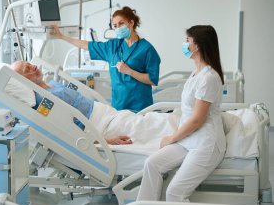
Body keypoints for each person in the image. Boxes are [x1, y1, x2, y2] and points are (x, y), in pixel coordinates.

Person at [134, 25, 226, 205]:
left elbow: (197, 120)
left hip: (205, 144)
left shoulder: (209, 78)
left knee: (174, 193)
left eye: (187, 41)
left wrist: (171, 138)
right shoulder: (196, 74)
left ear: (197, 46)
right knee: (152, 164)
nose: (184, 44)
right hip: (190, 139)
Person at [10, 60, 175, 146]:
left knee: (149, 121)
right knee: (149, 127)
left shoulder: (54, 83)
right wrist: (104, 141)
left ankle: (184, 126)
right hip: (101, 126)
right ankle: (184, 131)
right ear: (23, 81)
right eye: (27, 69)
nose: (33, 67)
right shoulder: (43, 102)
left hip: (109, 114)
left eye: (29, 63)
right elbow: (66, 131)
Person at [50, 6, 161, 113]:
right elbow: (86, 45)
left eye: (121, 24)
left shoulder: (147, 49)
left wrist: (129, 71)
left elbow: (152, 79)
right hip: (119, 105)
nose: (118, 28)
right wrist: (61, 36)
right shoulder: (113, 46)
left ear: (131, 23)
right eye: (115, 26)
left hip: (140, 105)